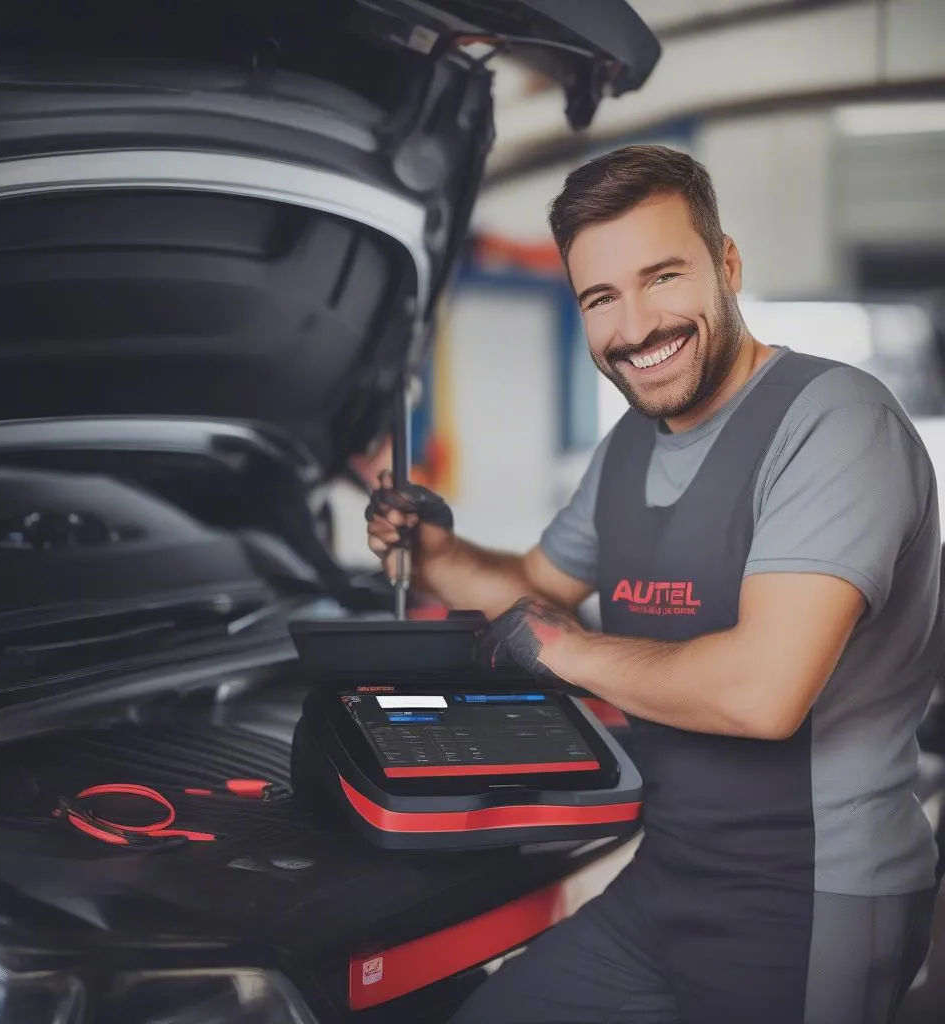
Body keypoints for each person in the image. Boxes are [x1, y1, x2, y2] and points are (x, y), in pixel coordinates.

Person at [365, 145, 943, 1024]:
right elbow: (532, 590)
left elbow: (762, 693)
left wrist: (567, 650)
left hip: (814, 900)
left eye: (661, 277)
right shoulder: (628, 447)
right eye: (601, 298)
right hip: (669, 878)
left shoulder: (836, 423)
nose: (634, 327)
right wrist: (437, 550)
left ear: (728, 265)